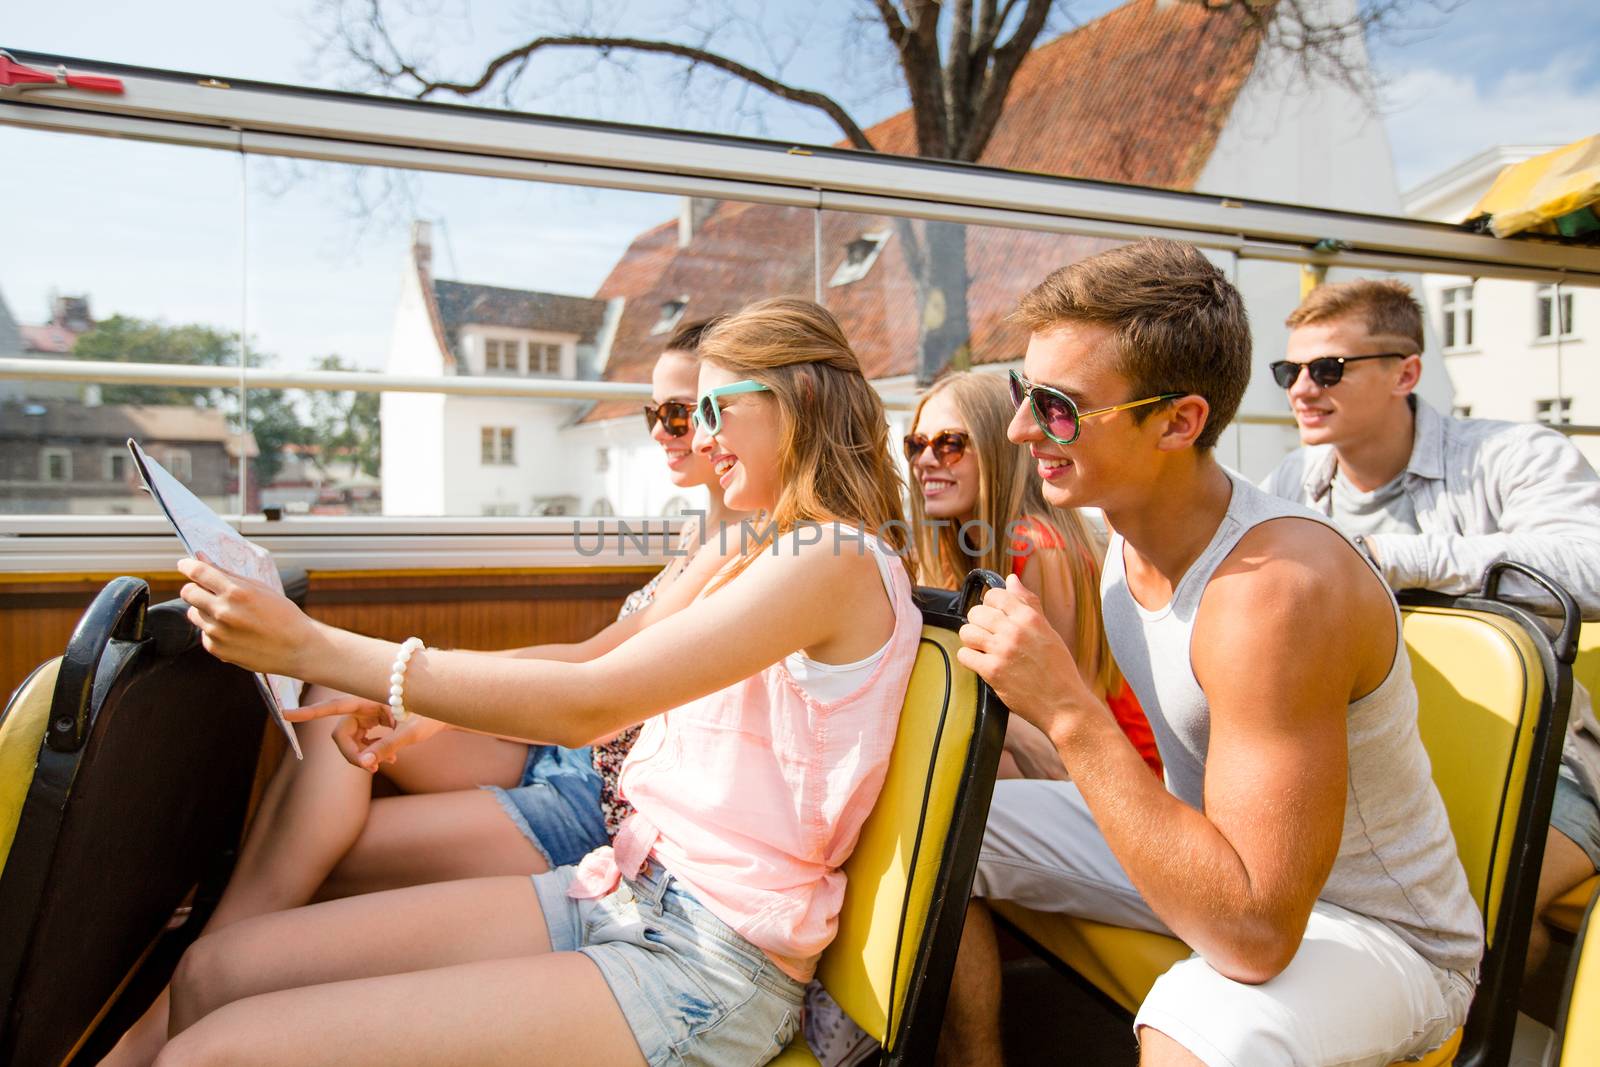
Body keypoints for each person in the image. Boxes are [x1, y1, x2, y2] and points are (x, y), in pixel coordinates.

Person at [153, 297, 923, 1067]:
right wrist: (410, 705)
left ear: (806, 398)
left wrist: (312, 648)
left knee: (210, 1054)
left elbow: (593, 702)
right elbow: (601, 667)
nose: (704, 435)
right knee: (214, 971)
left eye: (717, 408)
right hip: (623, 884)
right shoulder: (760, 544)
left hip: (706, 962)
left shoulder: (834, 557)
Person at [940, 239, 1482, 1067]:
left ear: (1180, 421)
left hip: (1382, 936)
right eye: (1025, 393)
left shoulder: (1276, 589)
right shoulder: (1124, 553)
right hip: (1219, 863)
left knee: (1203, 1024)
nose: (1020, 429)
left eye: (1057, 406)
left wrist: (1067, 710)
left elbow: (1258, 933)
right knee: (948, 818)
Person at [1259, 278, 1600, 992]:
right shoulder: (1295, 478)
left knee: (1466, 913)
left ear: (1406, 372)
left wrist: (1395, 557)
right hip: (1368, 755)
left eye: (1328, 369)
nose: (1301, 390)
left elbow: (1593, 566)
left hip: (1535, 757)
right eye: (1290, 371)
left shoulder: (1513, 455)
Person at [905, 370, 1160, 779]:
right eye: (915, 445)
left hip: (1113, 783)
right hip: (1055, 771)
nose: (926, 460)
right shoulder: (963, 547)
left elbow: (1069, 712)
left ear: (996, 450)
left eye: (949, 444)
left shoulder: (1040, 548)